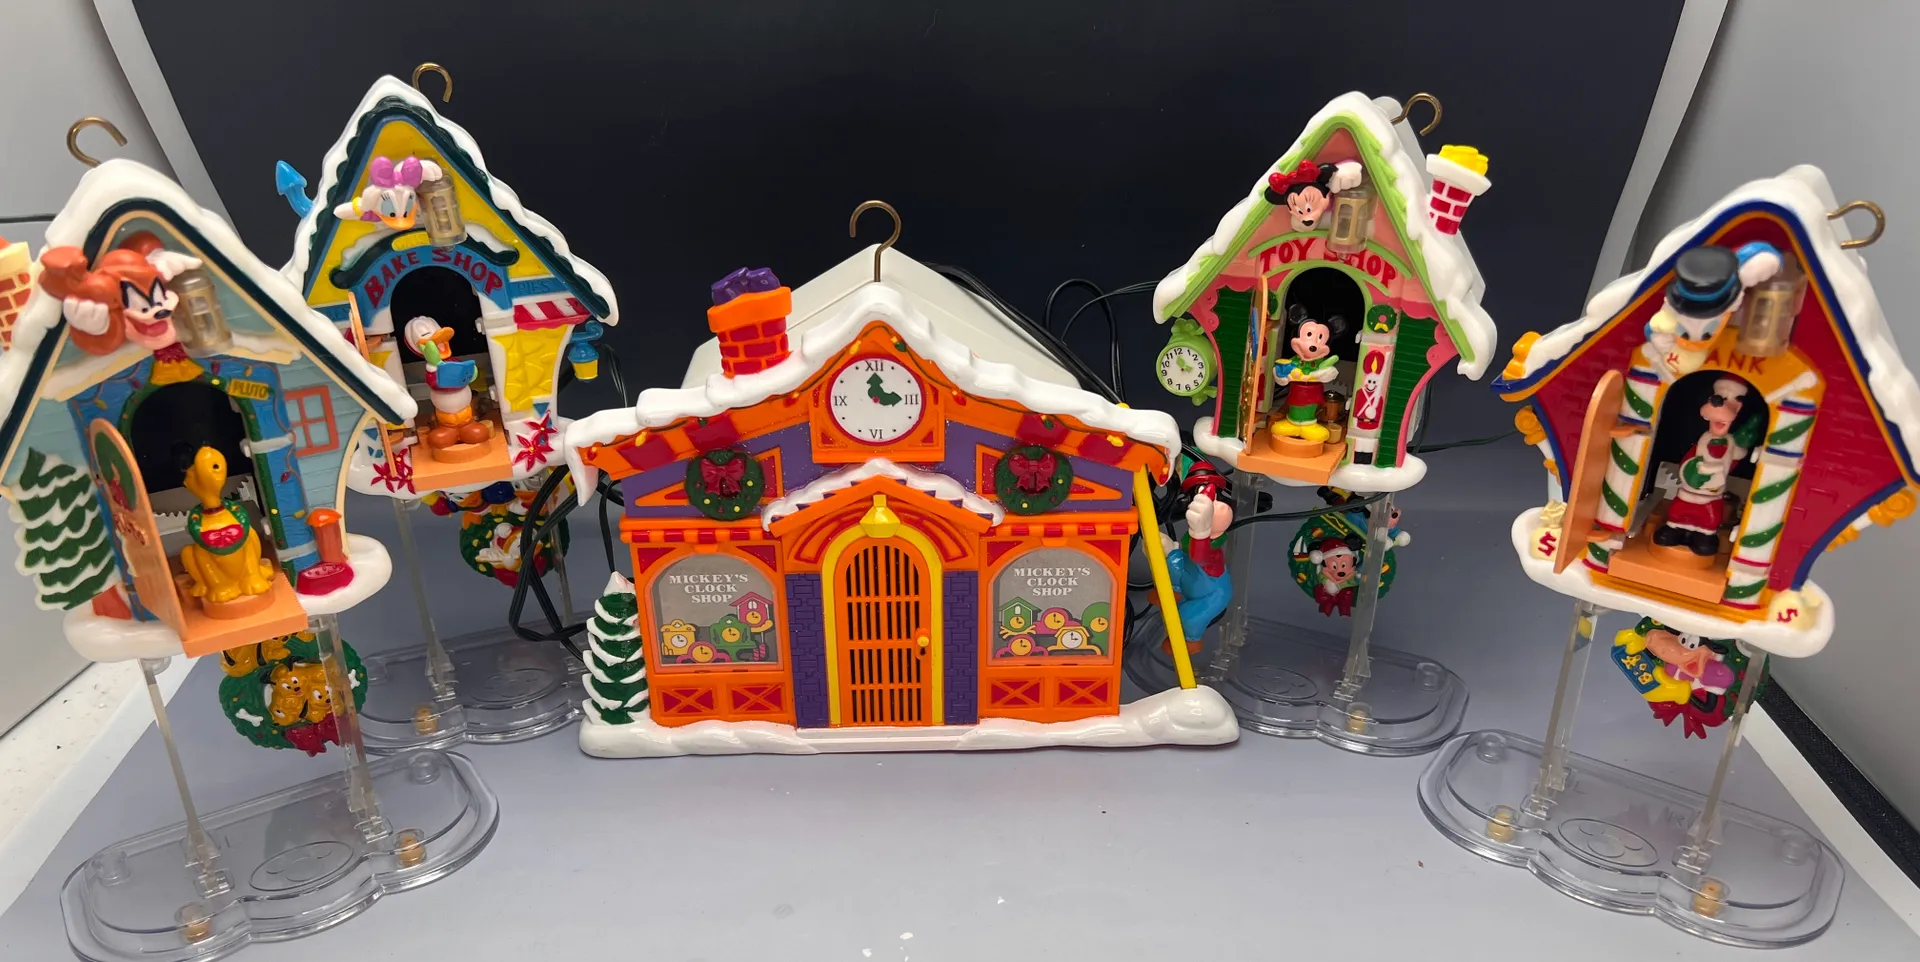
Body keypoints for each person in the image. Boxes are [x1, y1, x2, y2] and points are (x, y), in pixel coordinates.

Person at [1159, 463, 1234, 640]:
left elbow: (1199, 557)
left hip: (1210, 595)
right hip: (1189, 578)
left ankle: (1189, 644)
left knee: (1188, 620)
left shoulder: (1213, 545)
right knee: (1166, 551)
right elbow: (1188, 553)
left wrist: (1202, 532)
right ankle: (1171, 593)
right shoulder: (1190, 536)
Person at [1271, 305, 1345, 444]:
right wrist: (1284, 375)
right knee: (1294, 404)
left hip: (1313, 393)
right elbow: (1282, 374)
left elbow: (1330, 373)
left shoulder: (1321, 363)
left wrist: (1317, 375)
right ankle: (1293, 423)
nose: (1312, 345)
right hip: (1296, 391)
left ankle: (1308, 424)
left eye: (1320, 338)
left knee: (1310, 406)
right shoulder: (1293, 361)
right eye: (1309, 335)